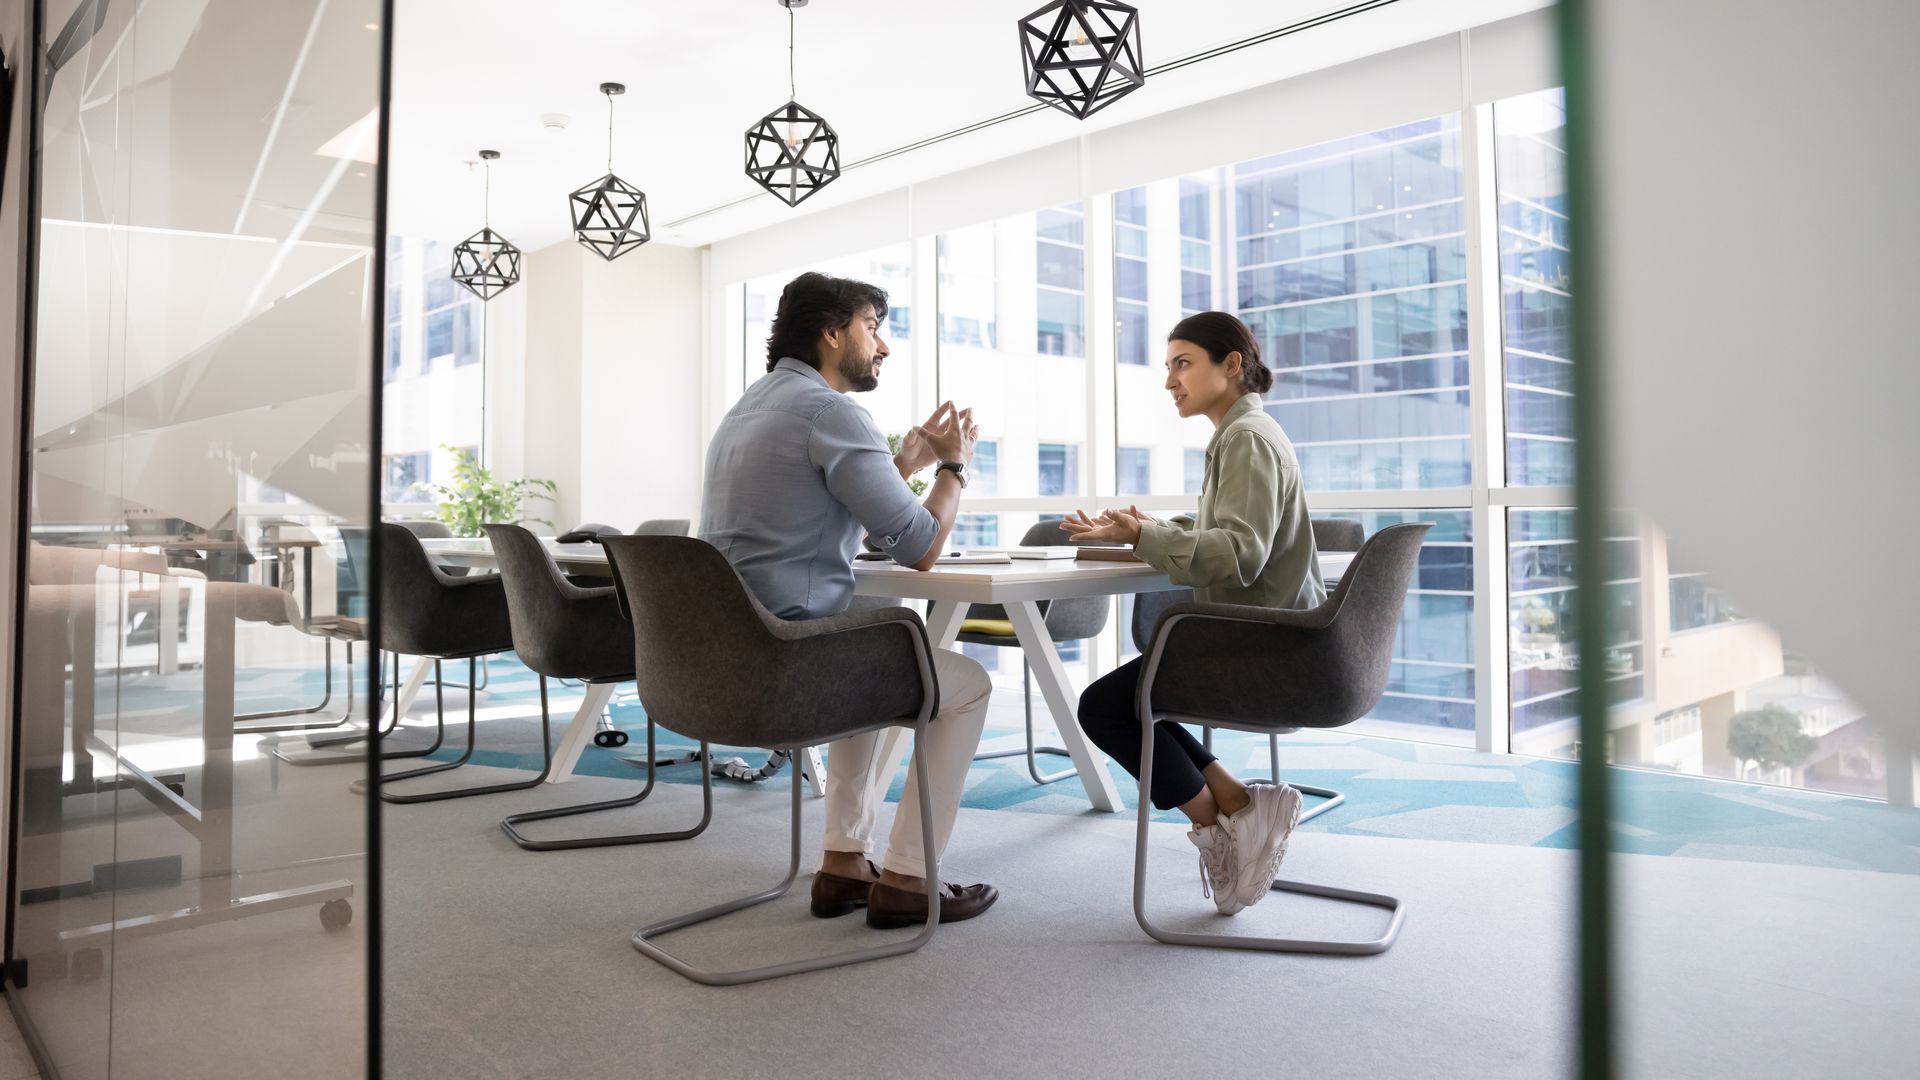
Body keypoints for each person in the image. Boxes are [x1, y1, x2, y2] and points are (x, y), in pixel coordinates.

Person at [699, 270, 999, 929]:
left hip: (715, 667)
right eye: (873, 328)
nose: (883, 346)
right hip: (786, 670)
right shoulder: (832, 413)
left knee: (867, 631)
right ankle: (910, 879)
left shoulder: (746, 411)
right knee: (967, 686)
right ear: (833, 334)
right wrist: (955, 465)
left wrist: (905, 467)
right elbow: (918, 545)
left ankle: (842, 864)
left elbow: (832, 517)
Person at [1059, 311, 1327, 915]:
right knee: (1134, 699)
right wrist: (1142, 528)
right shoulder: (1240, 434)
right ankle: (1238, 808)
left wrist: (1143, 539)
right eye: (1169, 366)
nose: (1170, 380)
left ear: (1232, 365)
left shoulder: (1248, 440)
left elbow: (1238, 554)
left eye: (1183, 363)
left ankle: (1228, 826)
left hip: (1268, 648)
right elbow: (1222, 530)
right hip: (1268, 638)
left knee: (1106, 707)